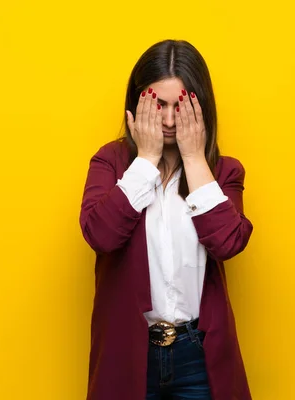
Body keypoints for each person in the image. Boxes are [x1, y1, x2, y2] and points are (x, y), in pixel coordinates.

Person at [79, 39, 254, 400]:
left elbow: (228, 243)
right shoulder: (110, 162)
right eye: (158, 105)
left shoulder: (222, 171)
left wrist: (193, 158)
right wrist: (144, 160)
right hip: (129, 352)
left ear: (201, 106)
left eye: (182, 105)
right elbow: (100, 235)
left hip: (198, 356)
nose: (171, 120)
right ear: (136, 105)